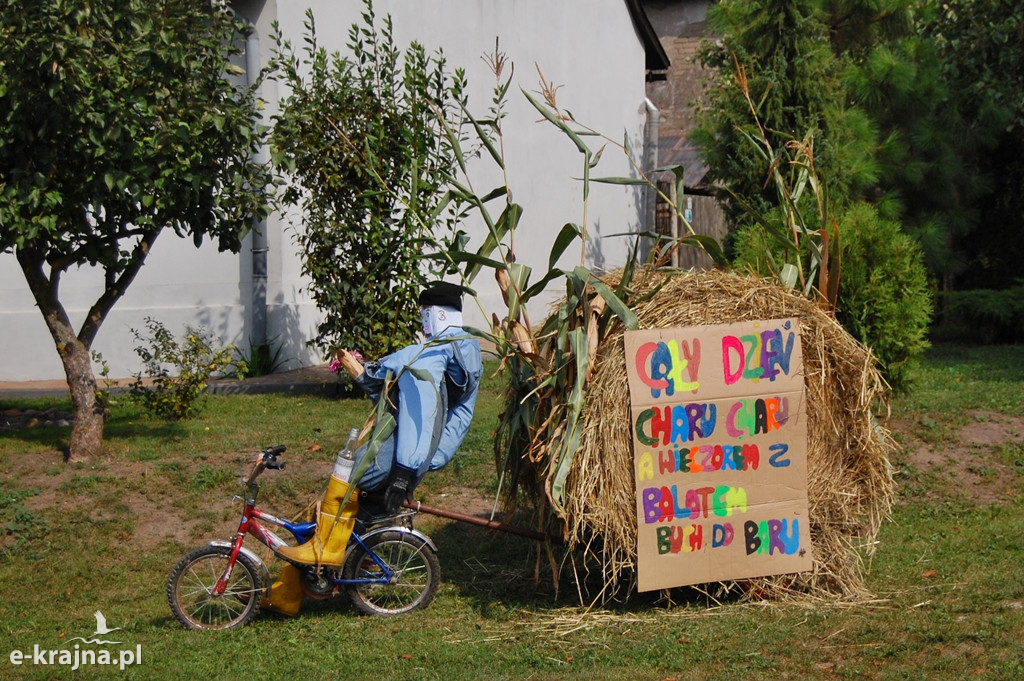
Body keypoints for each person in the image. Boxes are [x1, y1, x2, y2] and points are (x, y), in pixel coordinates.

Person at [263, 282, 482, 615]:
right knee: (341, 512)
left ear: (438, 313)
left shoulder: (434, 354)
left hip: (399, 453)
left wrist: (405, 470)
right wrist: (433, 458)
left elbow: (420, 412)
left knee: (346, 481)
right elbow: (451, 413)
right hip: (416, 452)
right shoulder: (465, 351)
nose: (423, 322)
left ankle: (320, 558)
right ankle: (288, 592)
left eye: (425, 315)